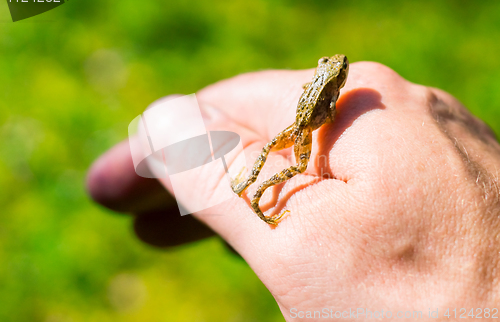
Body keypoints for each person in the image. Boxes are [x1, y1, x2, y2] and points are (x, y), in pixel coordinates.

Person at [86, 61, 500, 319]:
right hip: (304, 127)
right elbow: (324, 103)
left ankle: (253, 182)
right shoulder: (331, 88)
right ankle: (256, 191)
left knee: (272, 150)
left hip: (304, 117)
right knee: (297, 164)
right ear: (332, 77)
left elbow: (324, 97)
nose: (338, 72)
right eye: (335, 71)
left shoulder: (330, 86)